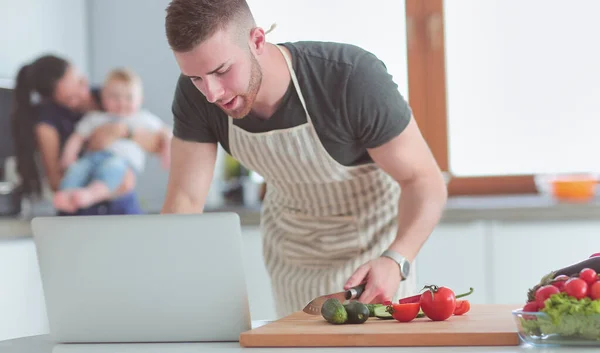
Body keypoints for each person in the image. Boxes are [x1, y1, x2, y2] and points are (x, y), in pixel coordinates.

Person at [161, 0, 448, 318]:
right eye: (196, 78)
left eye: (222, 71)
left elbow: (424, 180)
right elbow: (184, 200)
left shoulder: (350, 78)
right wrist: (167, 287)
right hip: (292, 263)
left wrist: (397, 258)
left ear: (257, 40)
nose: (212, 93)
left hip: (374, 260)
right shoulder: (196, 95)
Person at [11, 55, 166, 216]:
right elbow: (56, 182)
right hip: (81, 213)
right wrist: (100, 181)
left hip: (122, 208)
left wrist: (123, 131)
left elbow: (156, 144)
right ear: (54, 100)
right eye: (71, 98)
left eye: (81, 82)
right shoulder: (47, 124)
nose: (84, 94)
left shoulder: (112, 95)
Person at [53, 68, 171, 213]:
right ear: (104, 98)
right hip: (92, 159)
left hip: (122, 162)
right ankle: (66, 195)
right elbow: (78, 137)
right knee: (76, 169)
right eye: (114, 97)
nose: (121, 102)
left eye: (129, 97)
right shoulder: (96, 117)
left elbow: (166, 132)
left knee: (112, 168)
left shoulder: (142, 118)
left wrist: (167, 152)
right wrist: (68, 156)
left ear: (140, 100)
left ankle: (91, 195)